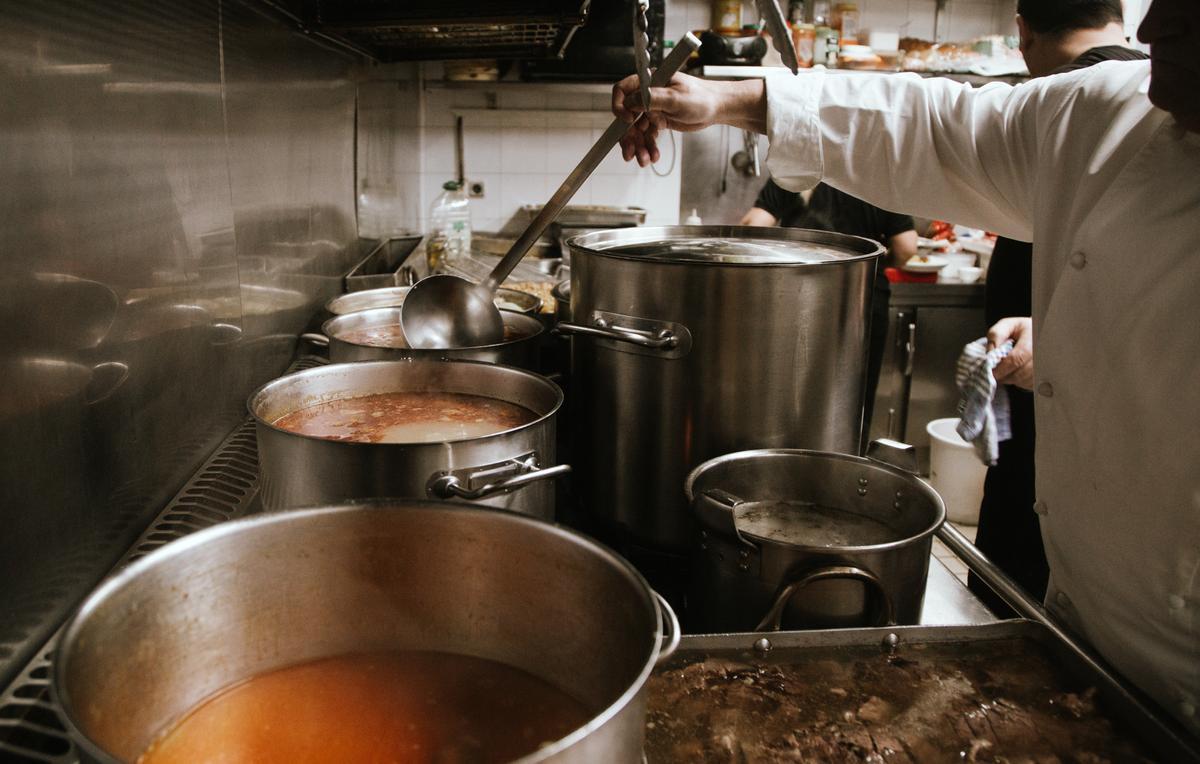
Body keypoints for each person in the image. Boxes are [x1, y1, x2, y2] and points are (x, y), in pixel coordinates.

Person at [611, 0, 1200, 734]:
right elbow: (937, 125)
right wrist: (729, 98)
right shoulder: (1116, 112)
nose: (1152, 30)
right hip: (1085, 632)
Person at [971, 0, 1148, 616]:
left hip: (1047, 457)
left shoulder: (1064, 111)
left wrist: (1054, 342)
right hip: (1107, 458)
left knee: (1014, 623)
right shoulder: (1156, 105)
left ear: (1022, 34)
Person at [741, 179, 917, 447]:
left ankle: (784, 468)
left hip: (797, 298)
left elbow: (753, 227)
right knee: (853, 403)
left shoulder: (797, 168)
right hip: (863, 297)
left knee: (789, 401)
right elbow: (906, 248)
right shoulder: (880, 173)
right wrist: (876, 262)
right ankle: (843, 471)